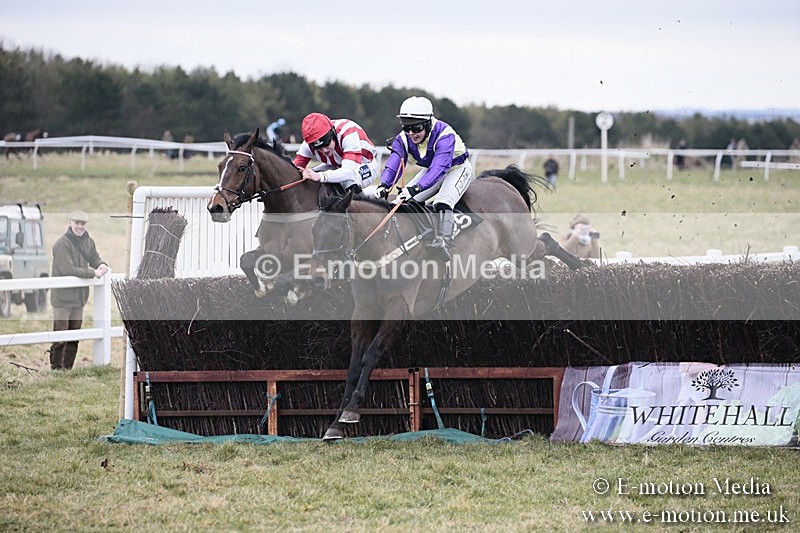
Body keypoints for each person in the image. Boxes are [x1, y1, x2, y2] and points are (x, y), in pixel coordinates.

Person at [376, 96, 473, 262]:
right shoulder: (404, 138)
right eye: (407, 128)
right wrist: (384, 184)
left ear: (428, 123)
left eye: (416, 127)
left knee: (442, 201)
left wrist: (415, 188)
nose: (411, 133)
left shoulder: (444, 134)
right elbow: (394, 162)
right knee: (402, 201)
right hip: (431, 170)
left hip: (457, 169)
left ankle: (443, 241)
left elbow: (439, 168)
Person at [48, 211, 109, 370]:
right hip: (62, 299)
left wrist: (102, 264)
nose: (80, 227)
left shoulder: (88, 241)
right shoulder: (61, 244)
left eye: (83, 224)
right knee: (60, 335)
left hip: (79, 298)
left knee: (74, 335)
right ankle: (56, 369)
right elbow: (67, 269)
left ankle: (67, 369)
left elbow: (94, 257)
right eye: (77, 223)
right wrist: (92, 273)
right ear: (70, 222)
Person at [292, 113, 378, 193]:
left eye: (326, 144)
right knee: (308, 176)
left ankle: (370, 198)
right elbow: (294, 170)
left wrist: (321, 176)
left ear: (332, 133)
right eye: (318, 148)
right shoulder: (310, 142)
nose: (324, 150)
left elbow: (349, 172)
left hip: (365, 165)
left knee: (347, 181)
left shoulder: (347, 133)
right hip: (338, 166)